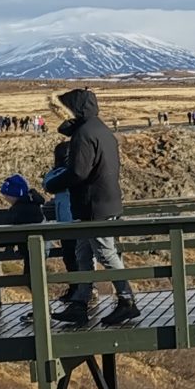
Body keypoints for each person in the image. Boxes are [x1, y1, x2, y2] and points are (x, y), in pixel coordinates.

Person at [43, 89, 138, 326]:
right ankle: (79, 303)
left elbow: (79, 171)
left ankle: (127, 301)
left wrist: (54, 183)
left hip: (94, 205)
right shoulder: (101, 130)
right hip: (102, 202)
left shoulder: (84, 135)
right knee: (83, 254)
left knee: (105, 254)